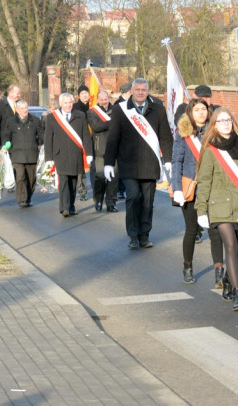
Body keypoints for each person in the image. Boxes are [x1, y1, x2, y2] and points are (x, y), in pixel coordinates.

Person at [194, 107, 238, 312]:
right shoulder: (210, 149)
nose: (225, 124)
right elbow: (205, 181)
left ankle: (227, 279)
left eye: (228, 120)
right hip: (220, 207)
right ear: (214, 125)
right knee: (231, 246)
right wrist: (201, 210)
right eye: (220, 121)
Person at [104, 78, 174, 250]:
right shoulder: (121, 110)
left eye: (144, 89)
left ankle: (144, 235)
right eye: (137, 89)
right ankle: (133, 235)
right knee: (133, 196)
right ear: (132, 91)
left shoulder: (158, 109)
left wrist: (169, 160)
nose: (141, 92)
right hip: (129, 163)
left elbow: (165, 136)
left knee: (148, 201)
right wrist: (108, 163)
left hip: (150, 163)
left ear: (148, 91)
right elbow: (113, 138)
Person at [171, 98, 225, 287]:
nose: (201, 112)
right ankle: (187, 267)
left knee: (215, 231)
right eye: (197, 110)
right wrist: (176, 188)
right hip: (191, 190)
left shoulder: (215, 131)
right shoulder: (183, 134)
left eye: (204, 109)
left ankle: (219, 272)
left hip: (212, 188)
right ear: (190, 113)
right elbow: (177, 161)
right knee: (192, 230)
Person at [43, 93, 93, 217]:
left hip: (76, 154)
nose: (68, 105)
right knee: (64, 180)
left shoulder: (80, 116)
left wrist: (89, 153)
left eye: (70, 102)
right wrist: (48, 158)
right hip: (60, 155)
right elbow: (48, 138)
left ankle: (71, 206)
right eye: (65, 103)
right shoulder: (52, 117)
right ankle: (64, 207)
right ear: (60, 104)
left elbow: (85, 135)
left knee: (73, 181)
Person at [2, 100, 43, 208]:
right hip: (17, 155)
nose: (25, 110)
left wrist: (43, 144)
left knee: (31, 179)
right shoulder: (11, 121)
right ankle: (22, 199)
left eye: (26, 108)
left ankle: (28, 198)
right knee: (20, 177)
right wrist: (5, 146)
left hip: (32, 154)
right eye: (22, 108)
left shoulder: (35, 120)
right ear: (17, 110)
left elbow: (42, 135)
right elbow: (6, 136)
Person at [88, 90, 119, 212]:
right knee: (100, 177)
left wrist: (106, 124)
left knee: (113, 177)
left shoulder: (116, 110)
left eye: (105, 99)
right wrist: (111, 123)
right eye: (101, 99)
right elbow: (96, 126)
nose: (104, 102)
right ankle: (98, 199)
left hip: (114, 148)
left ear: (109, 98)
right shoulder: (91, 112)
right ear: (97, 100)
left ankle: (111, 203)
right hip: (99, 149)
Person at [0, 84, 21, 149]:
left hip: (18, 139)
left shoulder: (20, 104)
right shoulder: (0, 104)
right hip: (5, 139)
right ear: (10, 93)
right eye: (18, 93)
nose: (19, 95)